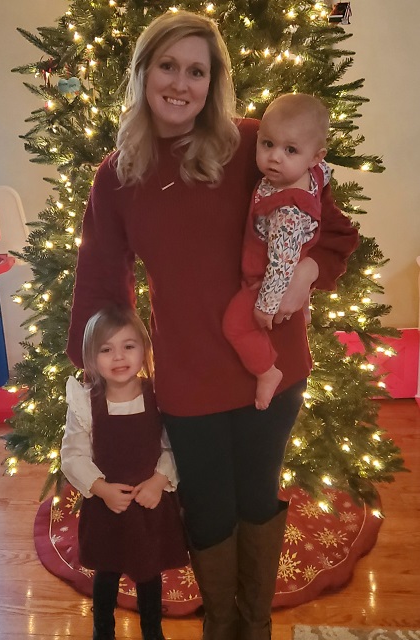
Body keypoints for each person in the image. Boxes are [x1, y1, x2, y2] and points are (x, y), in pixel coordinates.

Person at [66, 10, 359, 640]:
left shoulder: (258, 147)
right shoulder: (117, 176)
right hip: (188, 380)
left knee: (257, 502)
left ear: (213, 81)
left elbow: (333, 232)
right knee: (208, 511)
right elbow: (99, 279)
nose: (180, 83)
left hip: (271, 372)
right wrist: (91, 372)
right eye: (167, 66)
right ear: (144, 73)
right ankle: (221, 626)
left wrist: (307, 274)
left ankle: (253, 628)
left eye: (196, 70)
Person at [61, 305, 188, 640]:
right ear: (92, 357)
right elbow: (72, 455)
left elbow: (174, 447)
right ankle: (103, 629)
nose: (118, 357)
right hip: (107, 506)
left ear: (144, 349)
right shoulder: (86, 403)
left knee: (149, 572)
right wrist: (100, 488)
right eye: (106, 349)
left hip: (149, 503)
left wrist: (160, 481)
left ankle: (152, 630)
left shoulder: (158, 396)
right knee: (106, 570)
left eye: (128, 346)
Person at [223, 93, 330, 411]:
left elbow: (281, 263)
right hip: (298, 255)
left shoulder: (285, 211)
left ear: (314, 156)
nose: (275, 158)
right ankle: (305, 307)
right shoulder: (313, 174)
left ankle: (267, 372)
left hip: (263, 281)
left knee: (235, 325)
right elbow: (326, 174)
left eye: (290, 150)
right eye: (267, 144)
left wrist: (266, 305)